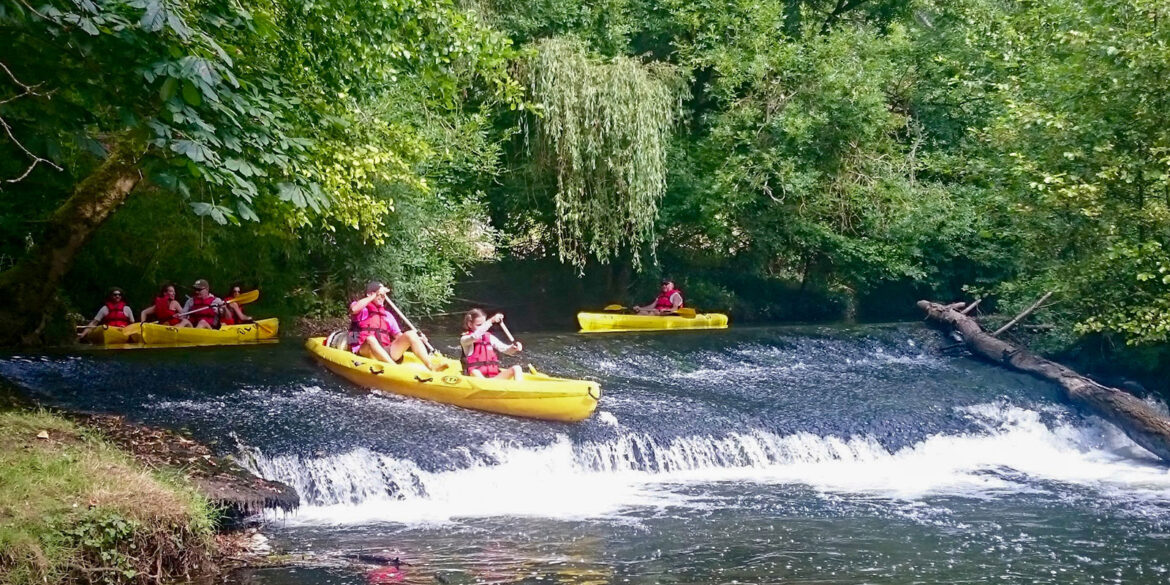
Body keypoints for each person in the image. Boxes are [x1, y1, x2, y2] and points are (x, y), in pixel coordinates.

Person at [349, 281, 447, 372]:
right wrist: (375, 294)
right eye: (379, 295)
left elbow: (399, 336)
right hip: (365, 351)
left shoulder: (387, 315)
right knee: (371, 339)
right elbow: (354, 309)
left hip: (385, 350)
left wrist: (418, 340)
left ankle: (430, 366)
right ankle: (395, 369)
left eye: (384, 296)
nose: (382, 297)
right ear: (370, 294)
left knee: (411, 334)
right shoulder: (361, 309)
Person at [460, 309, 523, 380]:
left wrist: (513, 348)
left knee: (517, 368)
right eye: (479, 325)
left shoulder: (489, 337)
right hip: (477, 379)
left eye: (484, 324)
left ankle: (519, 389)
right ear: (470, 324)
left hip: (493, 378)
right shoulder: (465, 339)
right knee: (474, 371)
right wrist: (491, 321)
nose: (482, 327)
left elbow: (506, 350)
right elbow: (475, 336)